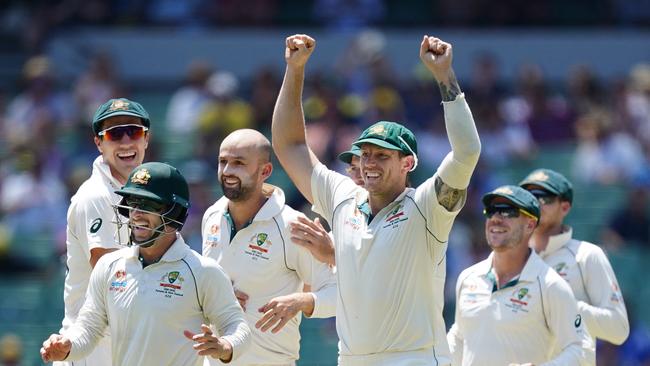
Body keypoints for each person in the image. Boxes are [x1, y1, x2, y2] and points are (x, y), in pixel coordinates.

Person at [272, 34, 481, 364]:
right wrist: (294, 69)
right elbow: (290, 146)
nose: (368, 164)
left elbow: (467, 152)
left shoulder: (427, 207)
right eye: (364, 154)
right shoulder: (343, 199)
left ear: (407, 163)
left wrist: (444, 76)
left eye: (382, 156)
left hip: (415, 358)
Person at [41, 162, 251, 365]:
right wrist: (67, 346)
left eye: (149, 204)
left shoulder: (202, 272)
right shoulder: (109, 266)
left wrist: (225, 346)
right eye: (133, 203)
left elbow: (238, 327)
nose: (136, 214)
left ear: (174, 213)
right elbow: (89, 329)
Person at [201, 129, 336, 365]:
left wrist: (300, 301)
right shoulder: (212, 215)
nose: (228, 171)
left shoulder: (293, 226)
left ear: (265, 171)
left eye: (239, 163)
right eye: (223, 162)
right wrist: (216, 297)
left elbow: (337, 294)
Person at [57, 97, 152, 366]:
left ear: (146, 138)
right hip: (93, 346)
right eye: (114, 134)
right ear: (98, 143)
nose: (125, 142)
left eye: (133, 132)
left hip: (123, 341)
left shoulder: (145, 193)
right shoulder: (95, 196)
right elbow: (108, 271)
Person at [447, 185, 586, 365]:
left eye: (507, 212)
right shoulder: (468, 278)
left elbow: (578, 349)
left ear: (529, 224)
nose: (496, 218)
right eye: (491, 211)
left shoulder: (551, 286)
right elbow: (459, 336)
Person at [519, 169, 629, 356]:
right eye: (527, 197)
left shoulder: (587, 255)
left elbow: (618, 329)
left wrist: (565, 306)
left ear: (565, 207)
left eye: (544, 198)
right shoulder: (510, 258)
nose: (534, 204)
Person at [289, 144, 364, 266]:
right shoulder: (344, 205)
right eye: (353, 168)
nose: (359, 175)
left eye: (365, 167)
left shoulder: (402, 213)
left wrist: (332, 255)